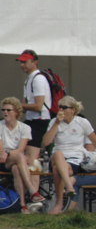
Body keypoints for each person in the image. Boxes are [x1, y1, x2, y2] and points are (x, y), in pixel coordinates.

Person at [41, 96, 96, 214]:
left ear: (73, 110)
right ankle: (69, 186)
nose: (61, 110)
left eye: (64, 108)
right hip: (58, 155)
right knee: (58, 154)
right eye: (59, 107)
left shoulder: (82, 122)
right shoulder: (54, 122)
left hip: (74, 159)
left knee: (57, 170)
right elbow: (46, 142)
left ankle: (59, 204)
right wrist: (56, 123)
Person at [16, 49, 50, 202]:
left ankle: (35, 193)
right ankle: (31, 192)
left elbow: (38, 105)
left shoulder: (38, 79)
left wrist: (19, 105)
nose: (22, 65)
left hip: (39, 121)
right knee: (26, 156)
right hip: (31, 121)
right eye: (21, 62)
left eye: (25, 62)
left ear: (34, 62)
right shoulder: (28, 79)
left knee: (32, 159)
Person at [0, 98, 33, 213]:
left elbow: (21, 148)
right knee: (20, 157)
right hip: (3, 160)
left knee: (16, 168)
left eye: (9, 110)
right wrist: (6, 153)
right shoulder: (0, 126)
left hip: (15, 161)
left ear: (16, 112)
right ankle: (32, 190)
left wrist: (8, 153)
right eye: (3, 110)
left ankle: (22, 205)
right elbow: (1, 151)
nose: (5, 112)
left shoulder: (25, 128)